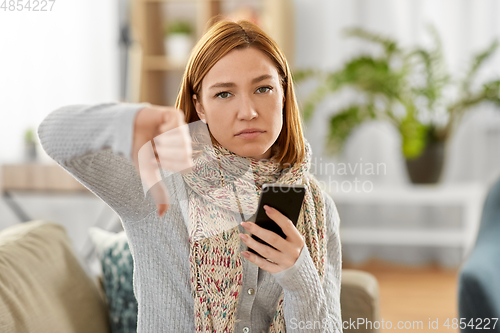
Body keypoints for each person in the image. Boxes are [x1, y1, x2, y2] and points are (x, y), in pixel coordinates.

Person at [38, 19, 343, 333]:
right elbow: (52, 133)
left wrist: (299, 277)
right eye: (224, 94)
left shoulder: (318, 207)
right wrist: (130, 119)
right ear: (199, 107)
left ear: (283, 92)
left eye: (263, 88)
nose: (248, 111)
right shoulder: (160, 179)